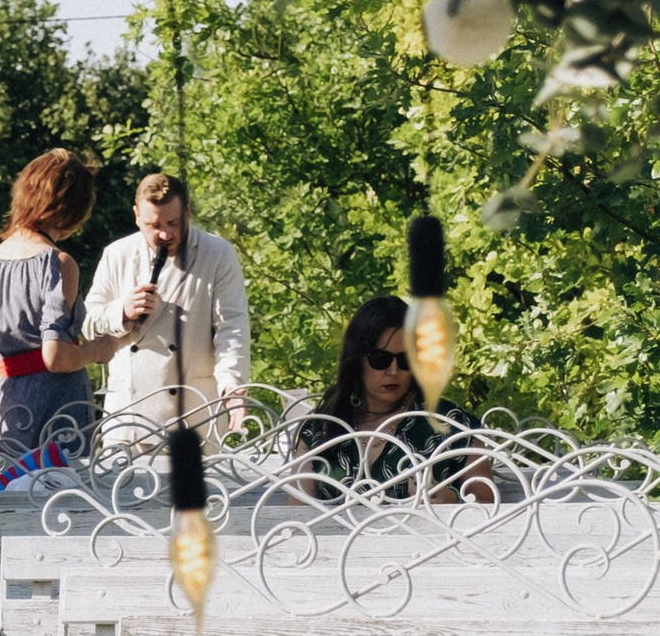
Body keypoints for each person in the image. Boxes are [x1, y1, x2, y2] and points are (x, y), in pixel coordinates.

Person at [0, 150, 122, 465]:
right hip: (58, 418)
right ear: (72, 209)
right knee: (61, 508)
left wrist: (8, 413)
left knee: (3, 506)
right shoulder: (57, 264)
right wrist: (97, 351)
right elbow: (54, 356)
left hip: (4, 415)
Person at [81, 170, 252, 441]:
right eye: (153, 225)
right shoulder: (117, 254)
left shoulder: (218, 254)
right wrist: (122, 311)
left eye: (173, 223)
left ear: (188, 211)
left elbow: (231, 328)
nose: (164, 234)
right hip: (128, 416)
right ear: (137, 215)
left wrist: (232, 386)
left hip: (194, 415)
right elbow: (88, 325)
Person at [293, 292, 496, 504]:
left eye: (405, 360)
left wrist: (450, 499)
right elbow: (298, 514)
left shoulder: (451, 423)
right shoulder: (321, 427)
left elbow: (488, 504)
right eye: (380, 359)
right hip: (330, 537)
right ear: (356, 360)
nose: (393, 371)